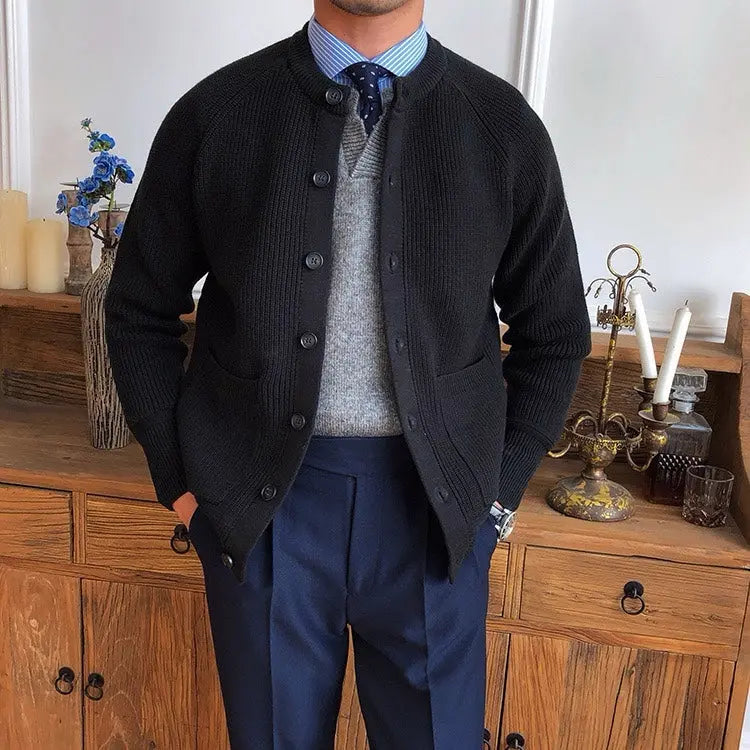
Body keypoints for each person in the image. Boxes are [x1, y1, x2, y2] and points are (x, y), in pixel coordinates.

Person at [104, 0, 592, 747]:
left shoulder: (501, 127)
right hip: (261, 510)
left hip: (438, 510)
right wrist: (181, 485)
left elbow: (554, 334)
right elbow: (138, 308)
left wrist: (494, 499)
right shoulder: (218, 113)